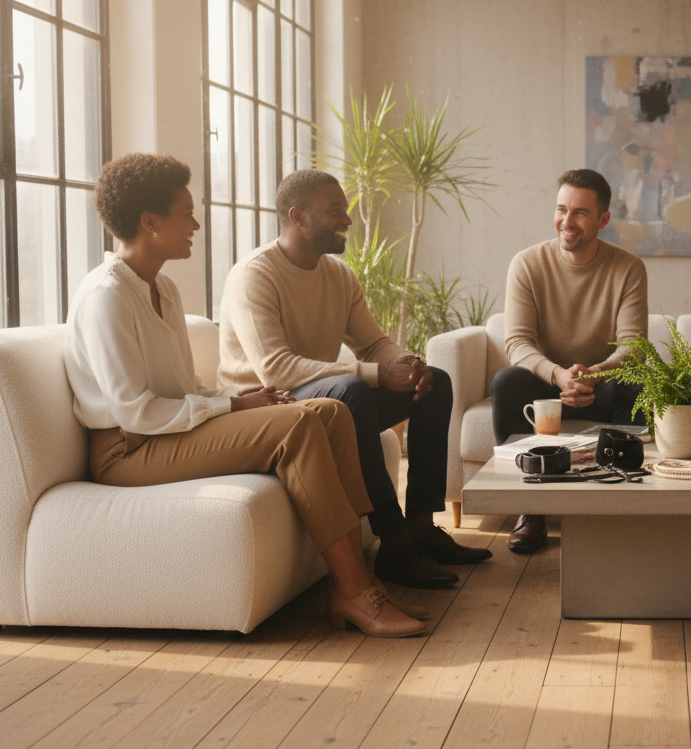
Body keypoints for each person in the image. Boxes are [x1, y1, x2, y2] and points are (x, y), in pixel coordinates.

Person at [65, 153, 425, 638]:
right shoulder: (107, 295)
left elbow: (181, 388)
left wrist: (244, 398)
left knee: (330, 412)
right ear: (149, 222)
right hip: (127, 449)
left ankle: (364, 577)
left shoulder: (161, 289)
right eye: (185, 213)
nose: (195, 223)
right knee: (300, 423)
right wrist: (231, 405)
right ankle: (356, 593)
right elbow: (137, 411)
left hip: (167, 432)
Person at [217, 169, 488, 591]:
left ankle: (420, 526)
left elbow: (372, 342)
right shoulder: (255, 275)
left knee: (435, 382)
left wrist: (406, 363)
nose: (346, 220)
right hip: (265, 409)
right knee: (352, 390)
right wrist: (380, 373)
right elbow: (277, 369)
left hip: (320, 401)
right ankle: (394, 544)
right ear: (298, 217)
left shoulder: (337, 275)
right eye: (335, 211)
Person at [491, 169, 649, 554]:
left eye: (580, 213)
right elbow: (517, 342)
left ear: (603, 220)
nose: (567, 221)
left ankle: (622, 506)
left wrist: (592, 375)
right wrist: (559, 374)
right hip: (548, 382)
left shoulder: (628, 267)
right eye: (562, 209)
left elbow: (634, 347)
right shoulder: (527, 264)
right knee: (508, 382)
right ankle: (533, 509)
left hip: (602, 382)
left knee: (638, 384)